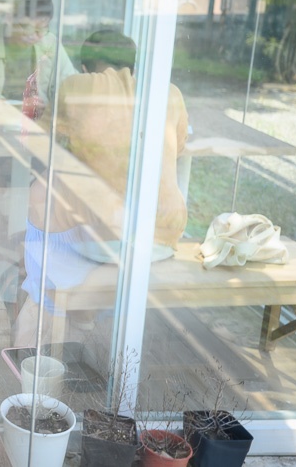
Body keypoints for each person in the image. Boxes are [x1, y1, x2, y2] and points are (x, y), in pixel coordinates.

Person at [14, 30, 189, 345]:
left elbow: (44, 142)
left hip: (103, 241)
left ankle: (42, 295)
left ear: (84, 69)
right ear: (135, 68)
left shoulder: (77, 88)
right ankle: (82, 315)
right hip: (161, 238)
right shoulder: (169, 92)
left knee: (42, 194)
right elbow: (181, 147)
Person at [0, 0, 77, 120]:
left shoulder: (50, 43)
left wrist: (50, 107)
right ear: (9, 18)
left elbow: (70, 85)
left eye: (41, 29)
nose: (34, 36)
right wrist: (12, 107)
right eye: (27, 27)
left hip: (37, 127)